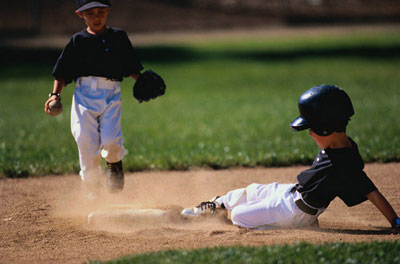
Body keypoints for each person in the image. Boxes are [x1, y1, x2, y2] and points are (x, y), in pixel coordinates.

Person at [181, 84, 400, 231]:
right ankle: (212, 208)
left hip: (296, 211)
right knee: (250, 191)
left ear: (325, 128)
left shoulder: (343, 165)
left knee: (239, 215)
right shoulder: (344, 144)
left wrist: (396, 221)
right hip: (292, 192)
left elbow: (372, 191)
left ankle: (290, 226)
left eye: (312, 128)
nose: (309, 133)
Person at [44, 0, 144, 195]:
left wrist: (141, 80)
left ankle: (114, 164)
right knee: (85, 139)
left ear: (108, 11)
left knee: (111, 140)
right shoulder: (78, 41)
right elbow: (62, 72)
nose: (96, 17)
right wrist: (55, 95)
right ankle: (91, 187)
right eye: (90, 13)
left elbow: (131, 65)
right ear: (80, 14)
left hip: (111, 93)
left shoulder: (118, 37)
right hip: (84, 95)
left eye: (101, 12)